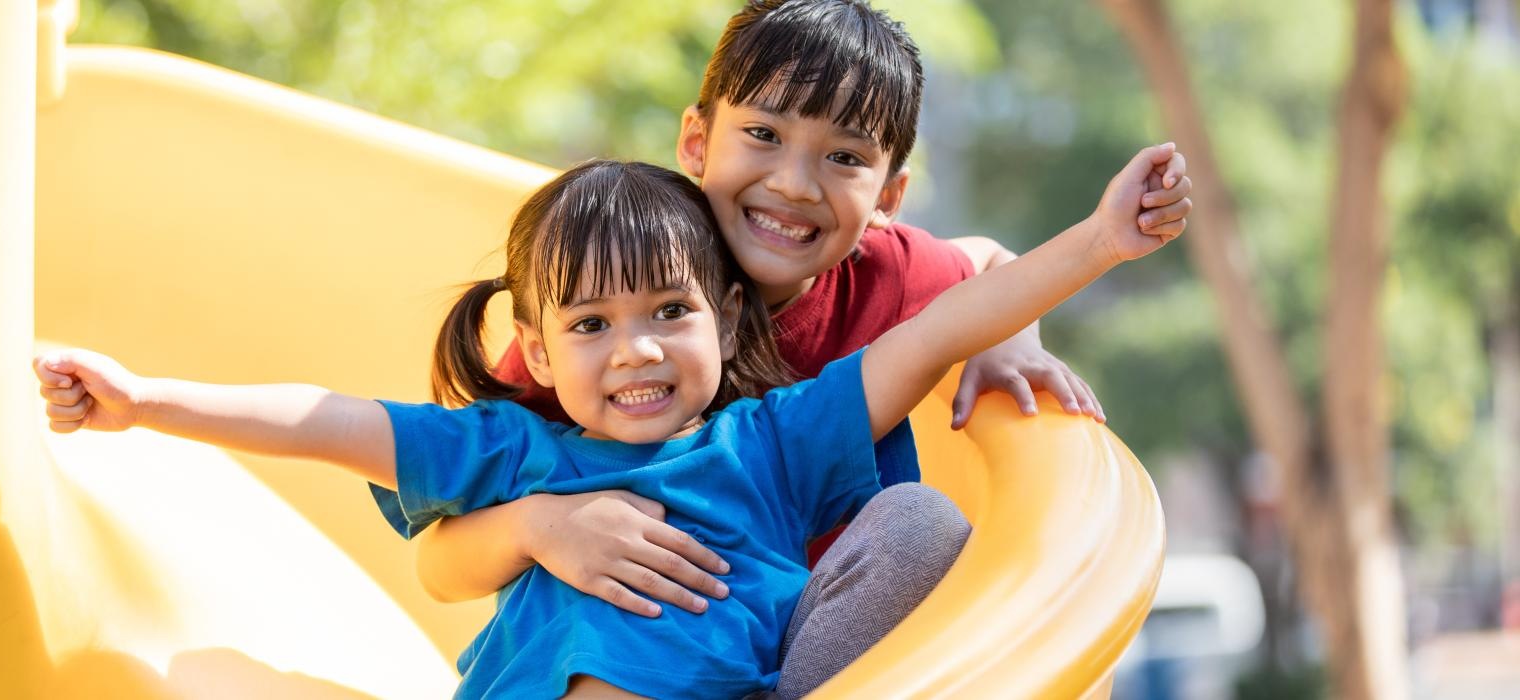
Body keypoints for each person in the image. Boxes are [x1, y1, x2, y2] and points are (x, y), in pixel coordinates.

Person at [35, 153, 1184, 697]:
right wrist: (146, 402)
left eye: (667, 312)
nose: (635, 350)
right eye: (591, 325)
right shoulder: (518, 454)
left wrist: (1101, 243)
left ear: (721, 317)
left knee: (920, 522)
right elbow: (332, 420)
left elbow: (938, 330)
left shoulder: (771, 442)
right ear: (538, 353)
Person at [410, 0, 1195, 673]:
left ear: (889, 196)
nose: (793, 183)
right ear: (696, 142)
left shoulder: (888, 275)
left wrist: (1014, 338)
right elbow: (440, 562)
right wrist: (540, 526)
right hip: (617, 650)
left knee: (917, 525)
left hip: (792, 650)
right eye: (762, 133)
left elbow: (987, 263)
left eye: (844, 156)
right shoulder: (606, 309)